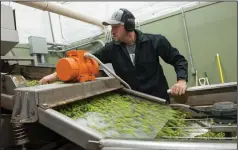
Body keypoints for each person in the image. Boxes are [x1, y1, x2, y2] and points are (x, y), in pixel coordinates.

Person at [39, 8, 188, 103]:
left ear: (129, 26)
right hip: (134, 104)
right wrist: (53, 76)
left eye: (116, 27)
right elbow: (85, 63)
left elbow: (178, 60)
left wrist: (181, 81)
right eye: (111, 27)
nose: (112, 30)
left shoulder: (155, 41)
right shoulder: (111, 49)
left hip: (159, 100)